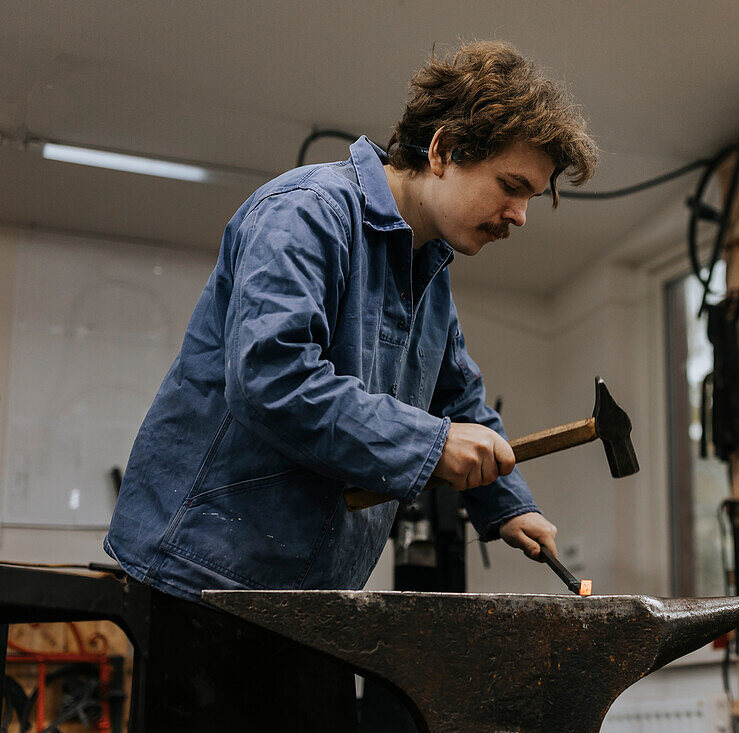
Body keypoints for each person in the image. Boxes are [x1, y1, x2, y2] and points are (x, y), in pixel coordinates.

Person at [101, 41, 598, 729]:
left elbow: (459, 400)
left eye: (531, 197)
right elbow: (271, 377)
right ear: (444, 149)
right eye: (513, 186)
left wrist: (506, 505)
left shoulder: (429, 271)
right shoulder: (307, 212)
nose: (520, 214)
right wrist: (432, 442)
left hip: (316, 599)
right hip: (210, 583)